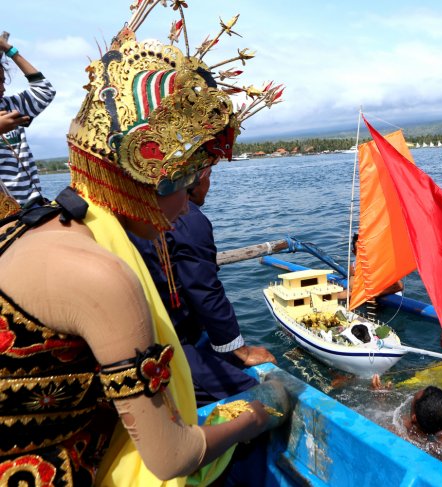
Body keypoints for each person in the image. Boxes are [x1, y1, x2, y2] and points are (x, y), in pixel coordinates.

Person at [0, 5, 289, 486]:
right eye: (189, 175)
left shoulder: (33, 222)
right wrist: (260, 415)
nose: (191, 199)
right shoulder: (102, 274)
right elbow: (172, 457)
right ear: (145, 180)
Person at [129, 166, 277, 406]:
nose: (186, 207)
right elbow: (204, 291)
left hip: (153, 334)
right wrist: (241, 350)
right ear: (197, 181)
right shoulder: (188, 219)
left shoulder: (130, 215)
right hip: (169, 344)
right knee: (264, 399)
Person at [0, 33, 55, 206]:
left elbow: (45, 91)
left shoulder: (9, 106)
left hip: (32, 207)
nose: (2, 88)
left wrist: (9, 50)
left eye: (2, 81)